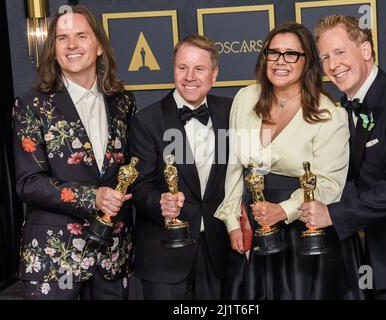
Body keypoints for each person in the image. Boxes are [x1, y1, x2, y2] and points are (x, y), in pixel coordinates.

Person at [215, 22, 363, 300]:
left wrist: (282, 211)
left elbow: (329, 184)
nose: (280, 61)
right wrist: (232, 222)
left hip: (304, 233)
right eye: (273, 53)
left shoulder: (329, 114)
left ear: (307, 61)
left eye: (291, 54)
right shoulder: (245, 98)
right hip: (253, 224)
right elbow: (235, 168)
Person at [299, 14, 386, 299]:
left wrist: (331, 213)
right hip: (383, 260)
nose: (332, 65)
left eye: (340, 52)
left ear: (365, 50)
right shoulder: (345, 106)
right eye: (325, 57)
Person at [12, 5, 136, 299]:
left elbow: (130, 170)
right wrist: (93, 197)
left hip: (112, 256)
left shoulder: (123, 102)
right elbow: (28, 183)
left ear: (99, 46)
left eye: (81, 36)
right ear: (53, 50)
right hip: (55, 259)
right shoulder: (32, 105)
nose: (72, 46)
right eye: (62, 38)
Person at [128, 35, 232, 299]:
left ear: (214, 74)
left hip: (220, 253)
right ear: (173, 69)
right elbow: (139, 186)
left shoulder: (233, 113)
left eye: (199, 69)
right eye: (182, 67)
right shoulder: (146, 121)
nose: (189, 77)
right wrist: (159, 203)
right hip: (165, 257)